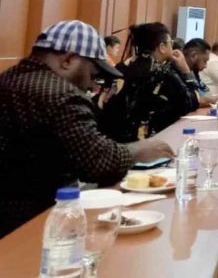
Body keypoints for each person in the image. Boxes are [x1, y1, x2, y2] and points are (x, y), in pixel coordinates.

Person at [0, 20, 174, 237]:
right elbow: (98, 161)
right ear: (69, 60)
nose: (92, 86)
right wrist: (140, 149)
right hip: (31, 226)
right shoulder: (62, 95)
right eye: (93, 75)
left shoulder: (9, 78)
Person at [100, 23, 201, 142]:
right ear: (162, 47)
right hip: (144, 145)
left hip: (111, 140)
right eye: (170, 43)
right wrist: (186, 70)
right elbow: (193, 102)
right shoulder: (163, 73)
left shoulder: (120, 68)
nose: (172, 46)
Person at [182, 38, 217, 107]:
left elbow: (205, 92)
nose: (206, 66)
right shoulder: (175, 73)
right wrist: (216, 99)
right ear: (193, 55)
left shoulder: (194, 72)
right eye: (205, 61)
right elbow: (194, 100)